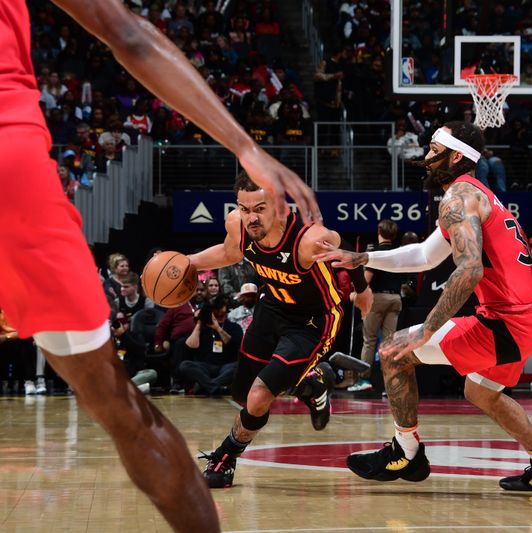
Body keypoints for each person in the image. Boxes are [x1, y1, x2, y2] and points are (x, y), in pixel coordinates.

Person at [0, 1, 320, 530]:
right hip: (12, 170)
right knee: (116, 403)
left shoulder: (295, 239)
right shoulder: (246, 232)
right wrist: (244, 146)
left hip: (300, 319)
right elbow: (127, 33)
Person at [316, 122, 532, 491]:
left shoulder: (458, 198)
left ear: (454, 156)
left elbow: (470, 269)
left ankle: (405, 453)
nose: (426, 157)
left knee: (392, 351)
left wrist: (426, 328)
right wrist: (364, 258)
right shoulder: (476, 194)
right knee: (480, 391)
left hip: (508, 322)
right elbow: (424, 255)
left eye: (432, 149)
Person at [188, 171, 373, 488]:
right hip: (271, 307)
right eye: (244, 209)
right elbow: (230, 252)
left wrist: (362, 291)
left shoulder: (308, 239)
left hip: (313, 321)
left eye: (259, 209)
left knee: (260, 396)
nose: (251, 218)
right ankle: (312, 384)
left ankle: (225, 458)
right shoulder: (238, 225)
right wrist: (189, 262)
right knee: (245, 395)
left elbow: (346, 254)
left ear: (280, 207)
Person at [351, 220, 406, 392]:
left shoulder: (376, 253)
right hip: (396, 298)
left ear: (379, 231)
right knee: (389, 342)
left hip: (377, 299)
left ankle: (364, 380)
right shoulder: (399, 253)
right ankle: (390, 384)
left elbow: (366, 280)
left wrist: (355, 294)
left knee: (370, 341)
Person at [178, 296, 242, 396]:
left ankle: (206, 386)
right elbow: (190, 345)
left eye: (220, 308)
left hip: (226, 366)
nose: (218, 312)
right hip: (205, 366)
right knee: (185, 365)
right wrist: (200, 322)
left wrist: (218, 328)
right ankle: (215, 387)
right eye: (215, 309)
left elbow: (233, 344)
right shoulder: (202, 327)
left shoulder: (234, 327)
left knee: (239, 366)